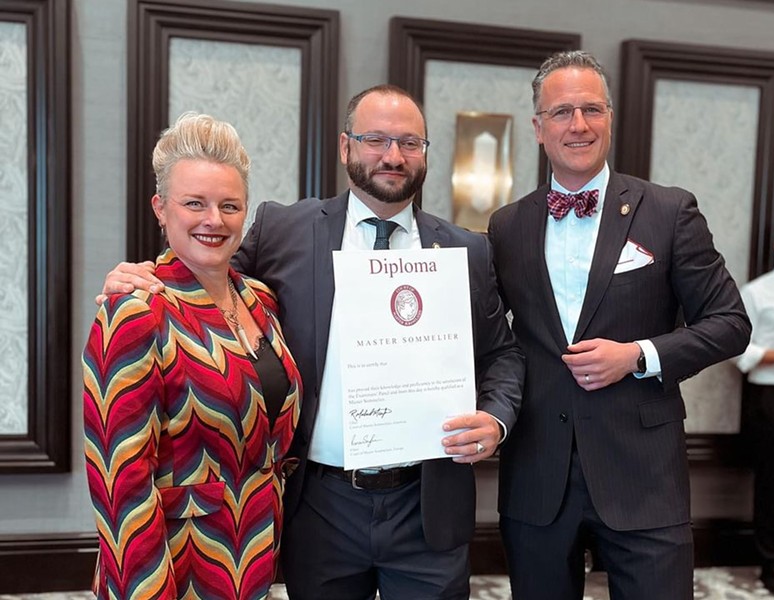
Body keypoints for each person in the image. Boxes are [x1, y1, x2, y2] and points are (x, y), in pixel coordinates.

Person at [98, 85, 525, 600]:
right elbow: (207, 273)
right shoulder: (284, 230)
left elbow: (503, 352)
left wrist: (495, 418)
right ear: (346, 147)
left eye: (410, 143)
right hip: (321, 505)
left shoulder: (466, 249)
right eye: (376, 139)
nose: (393, 155)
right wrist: (140, 276)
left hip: (427, 503)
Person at [487, 50, 752, 600]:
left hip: (643, 476)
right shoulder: (507, 225)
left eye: (591, 109)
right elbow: (497, 342)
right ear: (538, 127)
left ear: (610, 118)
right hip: (538, 473)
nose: (578, 125)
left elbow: (730, 323)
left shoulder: (669, 211)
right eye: (561, 112)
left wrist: (638, 355)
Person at [83, 112, 303, 599]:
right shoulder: (136, 311)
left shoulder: (260, 301)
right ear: (160, 208)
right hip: (174, 569)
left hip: (251, 557)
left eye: (230, 205)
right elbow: (119, 481)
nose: (214, 220)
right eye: (194, 204)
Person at [734, 216, 774, 598]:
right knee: (770, 482)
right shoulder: (758, 292)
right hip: (773, 398)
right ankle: (769, 562)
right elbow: (738, 347)